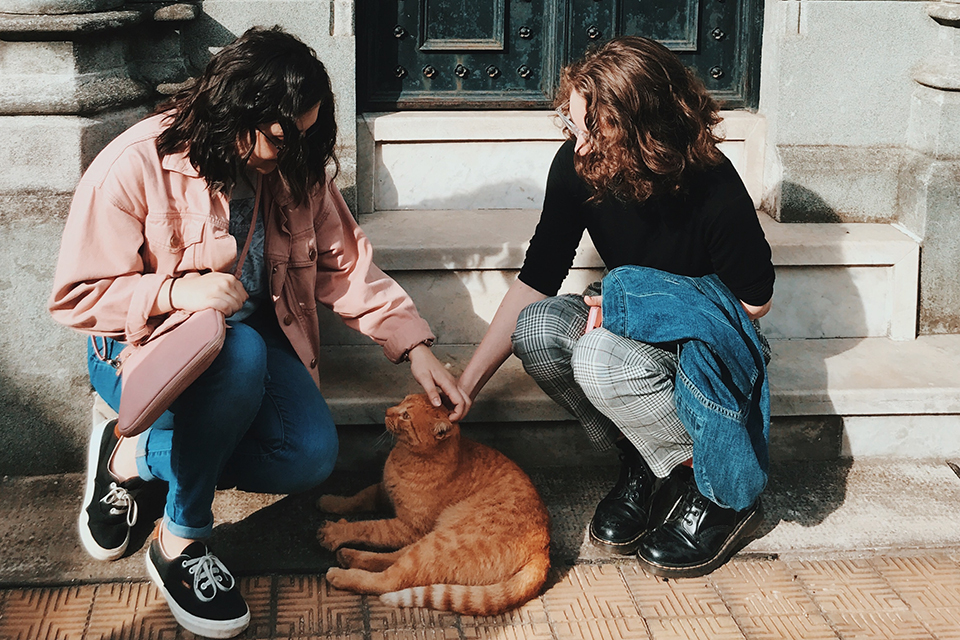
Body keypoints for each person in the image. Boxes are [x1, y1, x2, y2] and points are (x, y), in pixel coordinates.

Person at [49, 27, 466, 638]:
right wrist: (174, 291)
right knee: (236, 346)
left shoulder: (294, 171)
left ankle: (131, 453)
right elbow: (77, 297)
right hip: (139, 352)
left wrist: (415, 345)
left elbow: (344, 264)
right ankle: (181, 540)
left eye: (305, 134)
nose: (291, 150)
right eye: (281, 135)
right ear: (236, 109)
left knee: (308, 457)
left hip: (245, 349)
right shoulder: (135, 163)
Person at [457, 36, 775, 578]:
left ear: (645, 133)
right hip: (627, 322)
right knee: (538, 329)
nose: (578, 146)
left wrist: (640, 306)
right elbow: (536, 280)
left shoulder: (712, 185)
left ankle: (717, 490)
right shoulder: (580, 166)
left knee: (601, 356)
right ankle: (647, 466)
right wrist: (466, 386)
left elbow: (753, 303)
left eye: (594, 131)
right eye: (574, 126)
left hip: (705, 354)